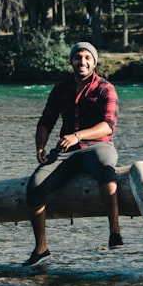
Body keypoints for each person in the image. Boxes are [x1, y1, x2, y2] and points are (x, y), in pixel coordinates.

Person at [22, 42, 123, 266]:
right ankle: (41, 249)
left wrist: (78, 136)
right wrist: (40, 146)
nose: (82, 62)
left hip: (97, 146)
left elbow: (108, 125)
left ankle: (114, 231)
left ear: (94, 62)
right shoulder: (61, 88)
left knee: (106, 169)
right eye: (78, 57)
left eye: (88, 58)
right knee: (35, 186)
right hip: (66, 151)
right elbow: (45, 121)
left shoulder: (106, 88)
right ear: (72, 61)